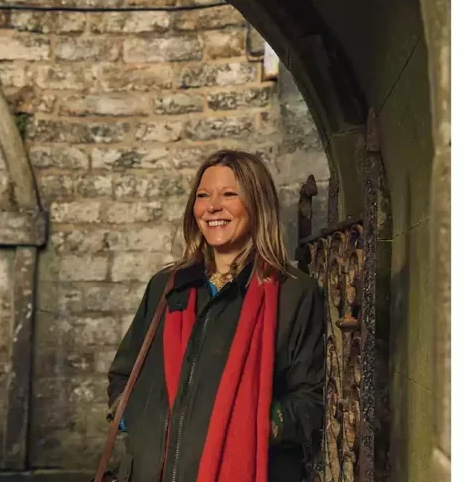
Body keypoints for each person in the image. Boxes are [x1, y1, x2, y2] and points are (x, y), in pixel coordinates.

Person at [107, 149, 325, 482]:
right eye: (203, 196)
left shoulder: (294, 293)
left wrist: (257, 424)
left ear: (257, 204)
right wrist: (138, 420)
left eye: (229, 195)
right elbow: (124, 375)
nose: (212, 207)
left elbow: (311, 401)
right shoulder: (167, 287)